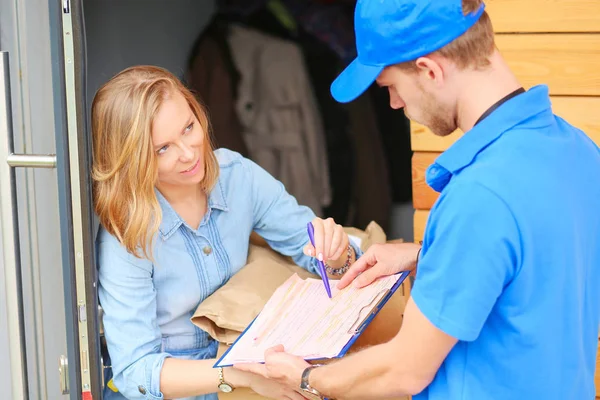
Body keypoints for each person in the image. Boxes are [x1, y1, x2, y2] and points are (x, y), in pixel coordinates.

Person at [235, 0, 600, 399]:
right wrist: (429, 254)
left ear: (429, 70)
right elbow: (533, 265)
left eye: (391, 86)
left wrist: (307, 379)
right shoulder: (576, 148)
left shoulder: (479, 196)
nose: (393, 103)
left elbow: (405, 372)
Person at [92, 65, 359, 400]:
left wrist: (336, 255)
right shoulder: (124, 234)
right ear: (132, 159)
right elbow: (136, 374)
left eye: (189, 127)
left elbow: (315, 250)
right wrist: (237, 376)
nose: (189, 154)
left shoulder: (238, 177)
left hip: (251, 366)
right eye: (163, 149)